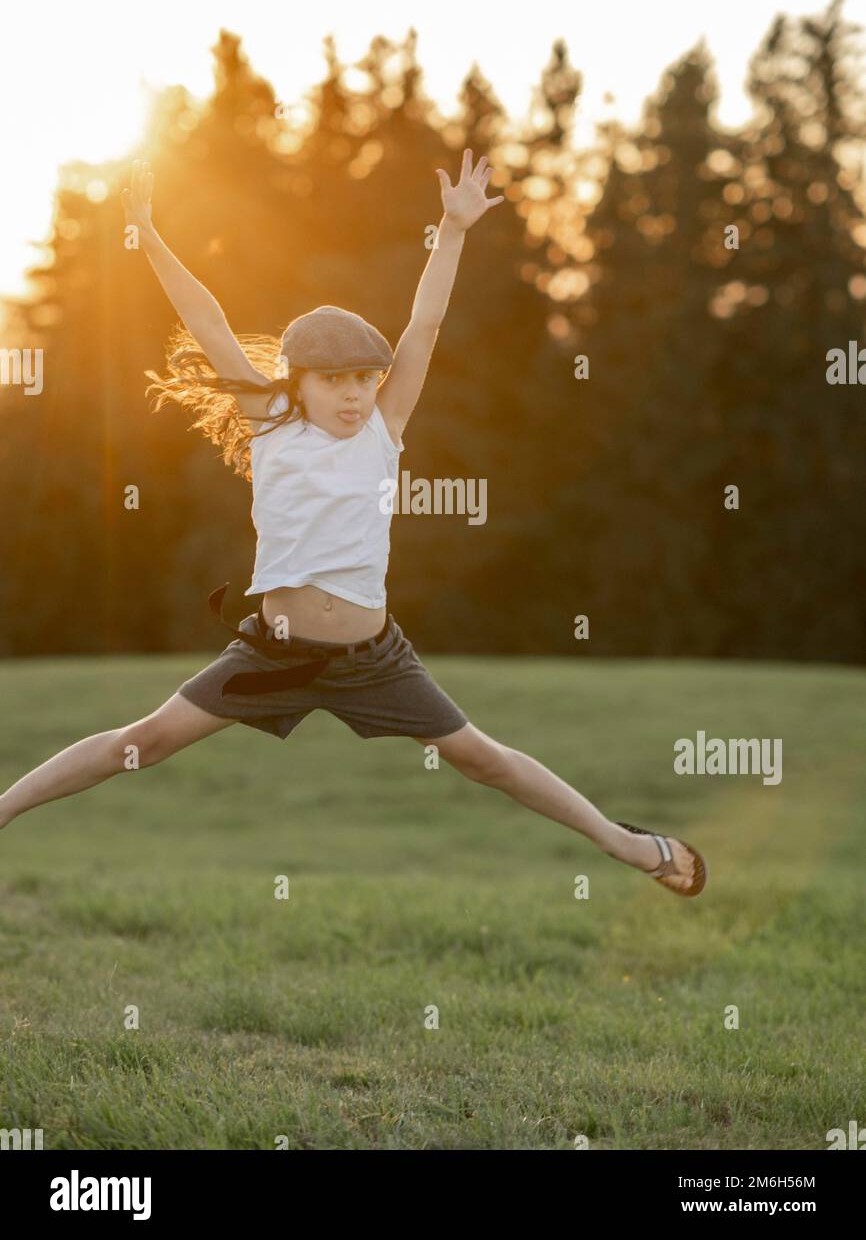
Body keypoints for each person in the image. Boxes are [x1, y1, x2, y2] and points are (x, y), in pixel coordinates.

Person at [0, 152, 706, 897]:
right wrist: (145, 230)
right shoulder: (269, 424)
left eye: (365, 380)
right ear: (297, 382)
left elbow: (425, 325)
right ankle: (5, 807)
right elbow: (205, 318)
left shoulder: (384, 427)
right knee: (140, 743)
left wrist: (455, 228)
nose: (354, 396)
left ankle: (628, 845)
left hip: (373, 658)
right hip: (273, 655)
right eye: (335, 382)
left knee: (482, 759)